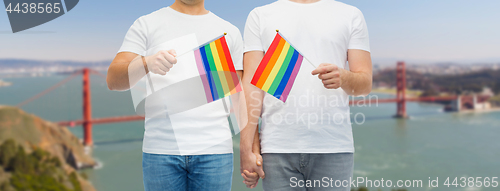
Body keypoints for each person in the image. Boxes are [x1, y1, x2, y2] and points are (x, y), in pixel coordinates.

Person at [106, 0, 243, 190]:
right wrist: (146, 62)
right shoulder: (146, 24)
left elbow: (239, 97)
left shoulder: (230, 32)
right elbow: (113, 80)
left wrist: (249, 151)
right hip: (160, 152)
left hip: (215, 152)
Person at [240, 0, 372, 190]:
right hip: (276, 148)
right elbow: (251, 85)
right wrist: (246, 149)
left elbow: (365, 85)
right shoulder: (259, 15)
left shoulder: (351, 15)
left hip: (334, 148)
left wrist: (343, 77)